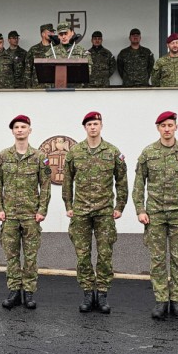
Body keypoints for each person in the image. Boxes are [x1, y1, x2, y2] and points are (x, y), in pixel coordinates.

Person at [133, 111, 178, 321]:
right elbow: (138, 184)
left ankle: (177, 302)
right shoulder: (148, 153)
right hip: (154, 214)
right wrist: (140, 210)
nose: (167, 129)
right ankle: (161, 300)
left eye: (170, 125)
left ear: (176, 127)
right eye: (163, 125)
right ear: (158, 128)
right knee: (158, 260)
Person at [63, 111, 128, 314]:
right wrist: (69, 206)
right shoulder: (75, 152)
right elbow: (67, 181)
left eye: (96, 123)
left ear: (101, 126)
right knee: (82, 255)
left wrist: (119, 207)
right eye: (89, 124)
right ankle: (87, 293)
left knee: (105, 254)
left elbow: (122, 181)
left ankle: (102, 294)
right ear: (85, 128)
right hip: (81, 211)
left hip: (104, 211)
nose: (93, 127)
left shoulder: (112, 152)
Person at [0, 115, 51, 310]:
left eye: (23, 127)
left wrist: (42, 210)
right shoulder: (3, 156)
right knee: (11, 255)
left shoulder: (39, 157)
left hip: (30, 215)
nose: (19, 130)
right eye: (16, 127)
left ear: (29, 130)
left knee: (31, 256)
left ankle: (29, 292)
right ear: (12, 131)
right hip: (9, 215)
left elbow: (45, 185)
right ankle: (14, 290)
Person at [25, 24, 56, 88]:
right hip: (37, 87)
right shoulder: (33, 49)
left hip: (53, 87)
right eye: (50, 32)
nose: (52, 34)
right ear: (43, 34)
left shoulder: (56, 48)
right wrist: (28, 88)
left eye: (53, 32)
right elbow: (28, 70)